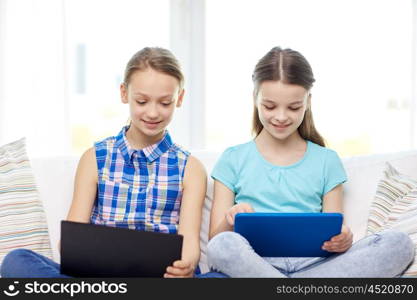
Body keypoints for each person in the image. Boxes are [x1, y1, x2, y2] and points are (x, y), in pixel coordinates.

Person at [198, 47, 414, 278]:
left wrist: (343, 240)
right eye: (270, 106)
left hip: (316, 266)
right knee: (222, 245)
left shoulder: (326, 160)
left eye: (294, 107)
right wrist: (232, 219)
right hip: (252, 263)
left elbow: (334, 230)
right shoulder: (233, 158)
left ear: (308, 102)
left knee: (398, 243)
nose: (281, 117)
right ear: (255, 98)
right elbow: (216, 240)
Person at [1, 47, 207, 278]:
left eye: (165, 103)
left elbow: (189, 241)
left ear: (179, 98)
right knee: (16, 260)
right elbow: (73, 235)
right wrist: (78, 251)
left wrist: (185, 266)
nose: (152, 112)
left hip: (159, 277)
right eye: (141, 101)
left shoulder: (190, 168)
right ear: (124, 93)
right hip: (100, 276)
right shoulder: (95, 158)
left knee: (220, 279)